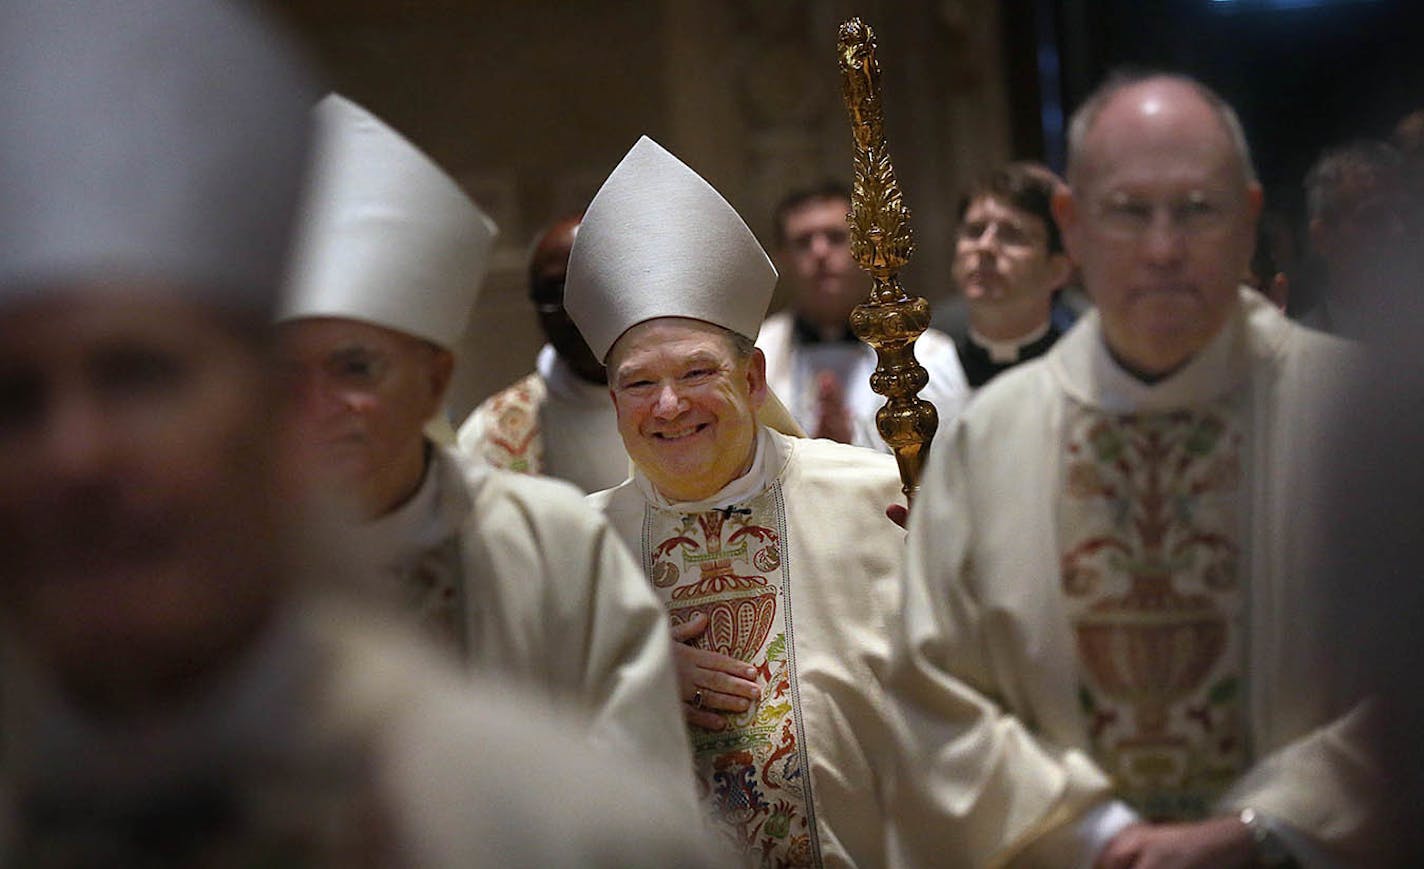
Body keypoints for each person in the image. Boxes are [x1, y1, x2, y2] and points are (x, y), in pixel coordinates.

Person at [0, 2, 727, 866]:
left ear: (435, 380)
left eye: (140, 376)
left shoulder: (563, 820)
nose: (77, 454)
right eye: (13, 399)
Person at [564, 136, 1109, 867]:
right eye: (637, 382)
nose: (668, 405)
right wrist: (626, 676)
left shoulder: (878, 498)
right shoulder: (572, 549)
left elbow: (1000, 693)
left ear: (754, 378)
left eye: (697, 371)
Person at [889, 70, 1382, 867]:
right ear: (1073, 227)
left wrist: (1267, 825)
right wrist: (1096, 833)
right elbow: (930, 691)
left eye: (1197, 210)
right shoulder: (992, 434)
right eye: (1128, 211)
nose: (1163, 250)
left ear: (1249, 220)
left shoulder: (1365, 410)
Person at [278, 94, 691, 775]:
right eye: (289, 371)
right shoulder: (219, 564)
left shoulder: (555, 546)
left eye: (355, 366)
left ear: (435, 380)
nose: (319, 403)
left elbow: (637, 791)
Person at [758, 182, 971, 449]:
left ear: (867, 249)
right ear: (782, 257)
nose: (820, 252)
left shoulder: (929, 353)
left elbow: (950, 459)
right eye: (803, 242)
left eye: (836, 237)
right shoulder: (755, 352)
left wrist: (851, 446)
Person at [457, 215, 632, 493]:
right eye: (556, 293)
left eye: (590, 289)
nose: (575, 314)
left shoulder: (689, 406)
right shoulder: (491, 433)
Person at [951, 162, 1076, 389]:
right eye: (974, 231)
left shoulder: (1080, 374)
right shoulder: (927, 372)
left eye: (1012, 235)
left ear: (1057, 270)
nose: (985, 247)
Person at [1295, 139, 1408, 337]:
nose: (1398, 230)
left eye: (1402, 213)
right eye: (1373, 218)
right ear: (1323, 238)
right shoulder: (1298, 352)